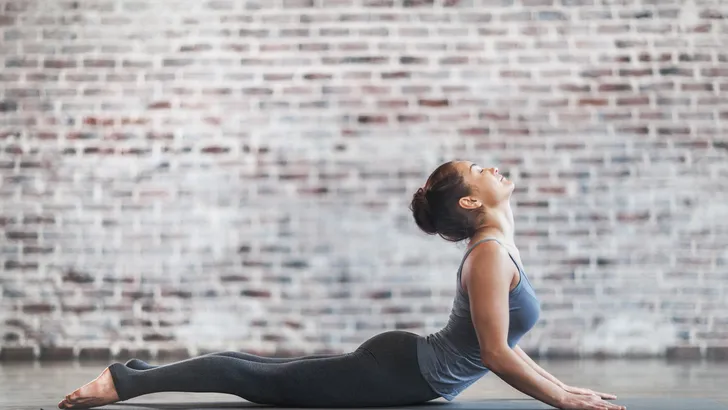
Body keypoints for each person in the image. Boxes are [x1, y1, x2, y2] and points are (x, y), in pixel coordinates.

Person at [58, 160, 625, 410]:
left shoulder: (496, 252)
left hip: (404, 367)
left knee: (262, 372)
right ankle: (123, 383)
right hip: (400, 370)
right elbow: (496, 354)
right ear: (473, 201)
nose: (494, 167)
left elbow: (502, 345)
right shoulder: (488, 258)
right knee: (256, 380)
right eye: (481, 169)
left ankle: (128, 376)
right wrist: (561, 400)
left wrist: (568, 391)